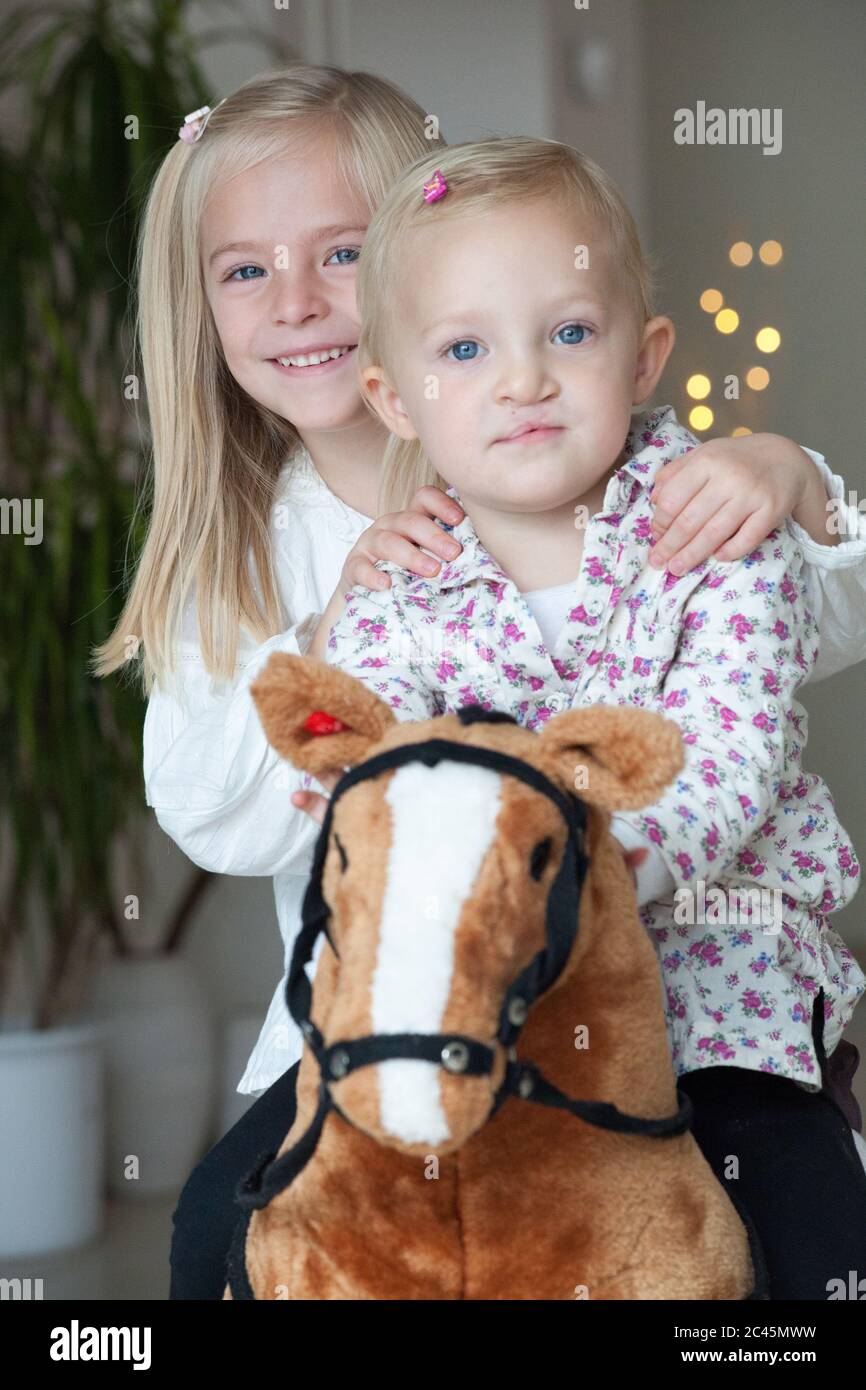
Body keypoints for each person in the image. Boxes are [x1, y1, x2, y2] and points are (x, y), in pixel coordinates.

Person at [91, 67, 866, 1300]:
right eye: (243, 270)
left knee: (796, 1231)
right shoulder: (297, 563)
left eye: (339, 252)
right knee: (219, 1237)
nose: (295, 302)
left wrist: (788, 477)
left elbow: (791, 653)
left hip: (705, 990)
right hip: (407, 993)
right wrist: (333, 635)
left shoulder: (649, 486)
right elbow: (255, 807)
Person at [310, 134, 866, 1299]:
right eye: (464, 349)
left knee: (801, 1223)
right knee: (260, 1206)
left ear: (644, 354)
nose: (522, 380)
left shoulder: (715, 526)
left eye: (567, 333)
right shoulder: (396, 587)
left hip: (718, 988)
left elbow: (723, 759)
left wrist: (560, 889)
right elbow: (362, 782)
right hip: (476, 995)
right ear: (393, 398)